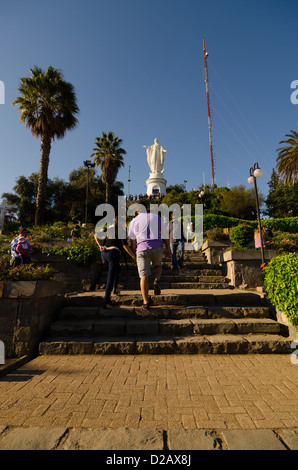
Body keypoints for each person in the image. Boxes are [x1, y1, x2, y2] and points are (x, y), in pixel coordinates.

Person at [128, 210, 171, 311]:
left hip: (142, 248)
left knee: (143, 277)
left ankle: (145, 302)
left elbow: (133, 240)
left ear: (137, 210)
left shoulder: (134, 221)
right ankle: (156, 280)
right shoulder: (156, 217)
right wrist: (168, 248)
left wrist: (134, 255)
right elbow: (165, 234)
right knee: (157, 265)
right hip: (157, 246)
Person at [94, 216, 136, 309]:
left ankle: (115, 289)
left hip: (104, 254)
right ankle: (106, 302)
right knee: (110, 277)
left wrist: (100, 246)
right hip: (113, 254)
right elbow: (125, 245)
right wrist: (133, 256)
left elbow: (95, 235)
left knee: (118, 268)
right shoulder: (121, 230)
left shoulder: (108, 229)